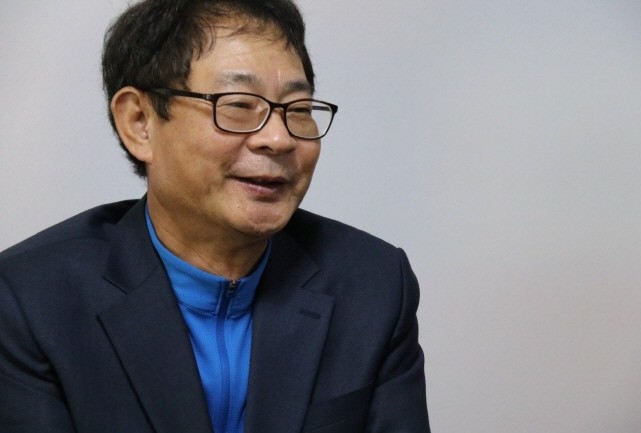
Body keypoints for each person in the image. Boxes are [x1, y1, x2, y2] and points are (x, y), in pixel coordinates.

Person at [0, 0, 430, 432]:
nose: (279, 139)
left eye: (298, 110)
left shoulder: (373, 285)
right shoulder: (29, 300)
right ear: (139, 122)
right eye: (239, 105)